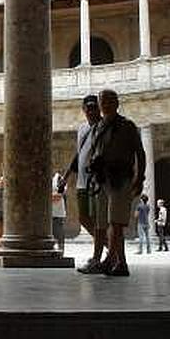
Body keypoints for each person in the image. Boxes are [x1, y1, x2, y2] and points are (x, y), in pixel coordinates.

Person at [89, 89, 146, 277]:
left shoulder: (127, 126)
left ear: (117, 103)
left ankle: (109, 261)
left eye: (109, 100)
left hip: (120, 178)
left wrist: (140, 177)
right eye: (102, 101)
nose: (105, 104)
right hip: (102, 180)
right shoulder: (98, 127)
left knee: (117, 223)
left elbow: (140, 152)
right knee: (105, 223)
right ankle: (121, 264)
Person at [59, 94, 106, 274]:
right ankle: (112, 248)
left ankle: (98, 257)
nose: (91, 110)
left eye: (94, 107)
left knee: (101, 220)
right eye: (88, 107)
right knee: (84, 218)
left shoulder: (105, 127)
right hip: (82, 181)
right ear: (83, 109)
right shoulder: (82, 129)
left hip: (98, 181)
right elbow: (79, 155)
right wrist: (66, 176)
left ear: (99, 108)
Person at [51, 172, 66, 252]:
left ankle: (61, 251)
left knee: (59, 234)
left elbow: (59, 196)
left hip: (57, 213)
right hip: (47, 215)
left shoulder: (59, 178)